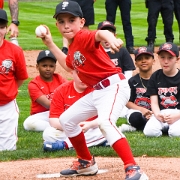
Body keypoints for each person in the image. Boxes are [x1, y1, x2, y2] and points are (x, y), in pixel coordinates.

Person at [38, 1, 149, 179]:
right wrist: (50, 43)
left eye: (71, 20)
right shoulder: (74, 46)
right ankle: (86, 162)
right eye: (61, 21)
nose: (66, 25)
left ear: (81, 22)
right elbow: (68, 66)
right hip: (98, 92)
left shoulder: (82, 36)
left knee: (105, 122)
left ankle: (133, 168)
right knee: (67, 120)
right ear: (57, 24)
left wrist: (110, 38)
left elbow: (100, 33)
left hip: (114, 87)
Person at [43, 70, 107, 151]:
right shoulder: (61, 90)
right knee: (48, 133)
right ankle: (98, 142)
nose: (82, 78)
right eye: (79, 73)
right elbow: (53, 120)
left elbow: (106, 116)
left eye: (85, 74)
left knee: (106, 130)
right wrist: (72, 127)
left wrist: (90, 124)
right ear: (72, 72)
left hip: (90, 128)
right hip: (68, 129)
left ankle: (64, 145)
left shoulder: (98, 90)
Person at [0, 9, 28, 151]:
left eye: (1, 27)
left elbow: (21, 78)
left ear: (5, 29)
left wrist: (8, 91)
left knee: (6, 150)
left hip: (7, 107)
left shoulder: (15, 51)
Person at [23, 50, 67, 132]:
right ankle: (61, 127)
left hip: (59, 113)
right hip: (42, 115)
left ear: (55, 67)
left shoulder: (60, 79)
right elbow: (48, 105)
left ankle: (59, 127)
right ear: (37, 67)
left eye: (51, 66)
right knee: (28, 123)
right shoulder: (33, 84)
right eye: (44, 66)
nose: (48, 69)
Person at [143, 42, 180, 137]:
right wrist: (157, 114)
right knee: (149, 132)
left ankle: (171, 129)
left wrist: (177, 116)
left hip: (178, 113)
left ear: (177, 59)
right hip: (162, 113)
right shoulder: (155, 76)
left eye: (170, 58)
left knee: (176, 133)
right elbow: (154, 103)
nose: (166, 61)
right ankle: (166, 128)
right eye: (162, 57)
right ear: (158, 58)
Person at [119, 46, 154, 133]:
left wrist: (153, 113)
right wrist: (142, 110)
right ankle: (150, 126)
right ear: (136, 63)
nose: (143, 61)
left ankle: (135, 128)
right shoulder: (132, 81)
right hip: (137, 111)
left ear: (153, 60)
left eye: (147, 58)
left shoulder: (158, 79)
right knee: (135, 118)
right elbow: (128, 102)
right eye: (140, 59)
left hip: (154, 112)